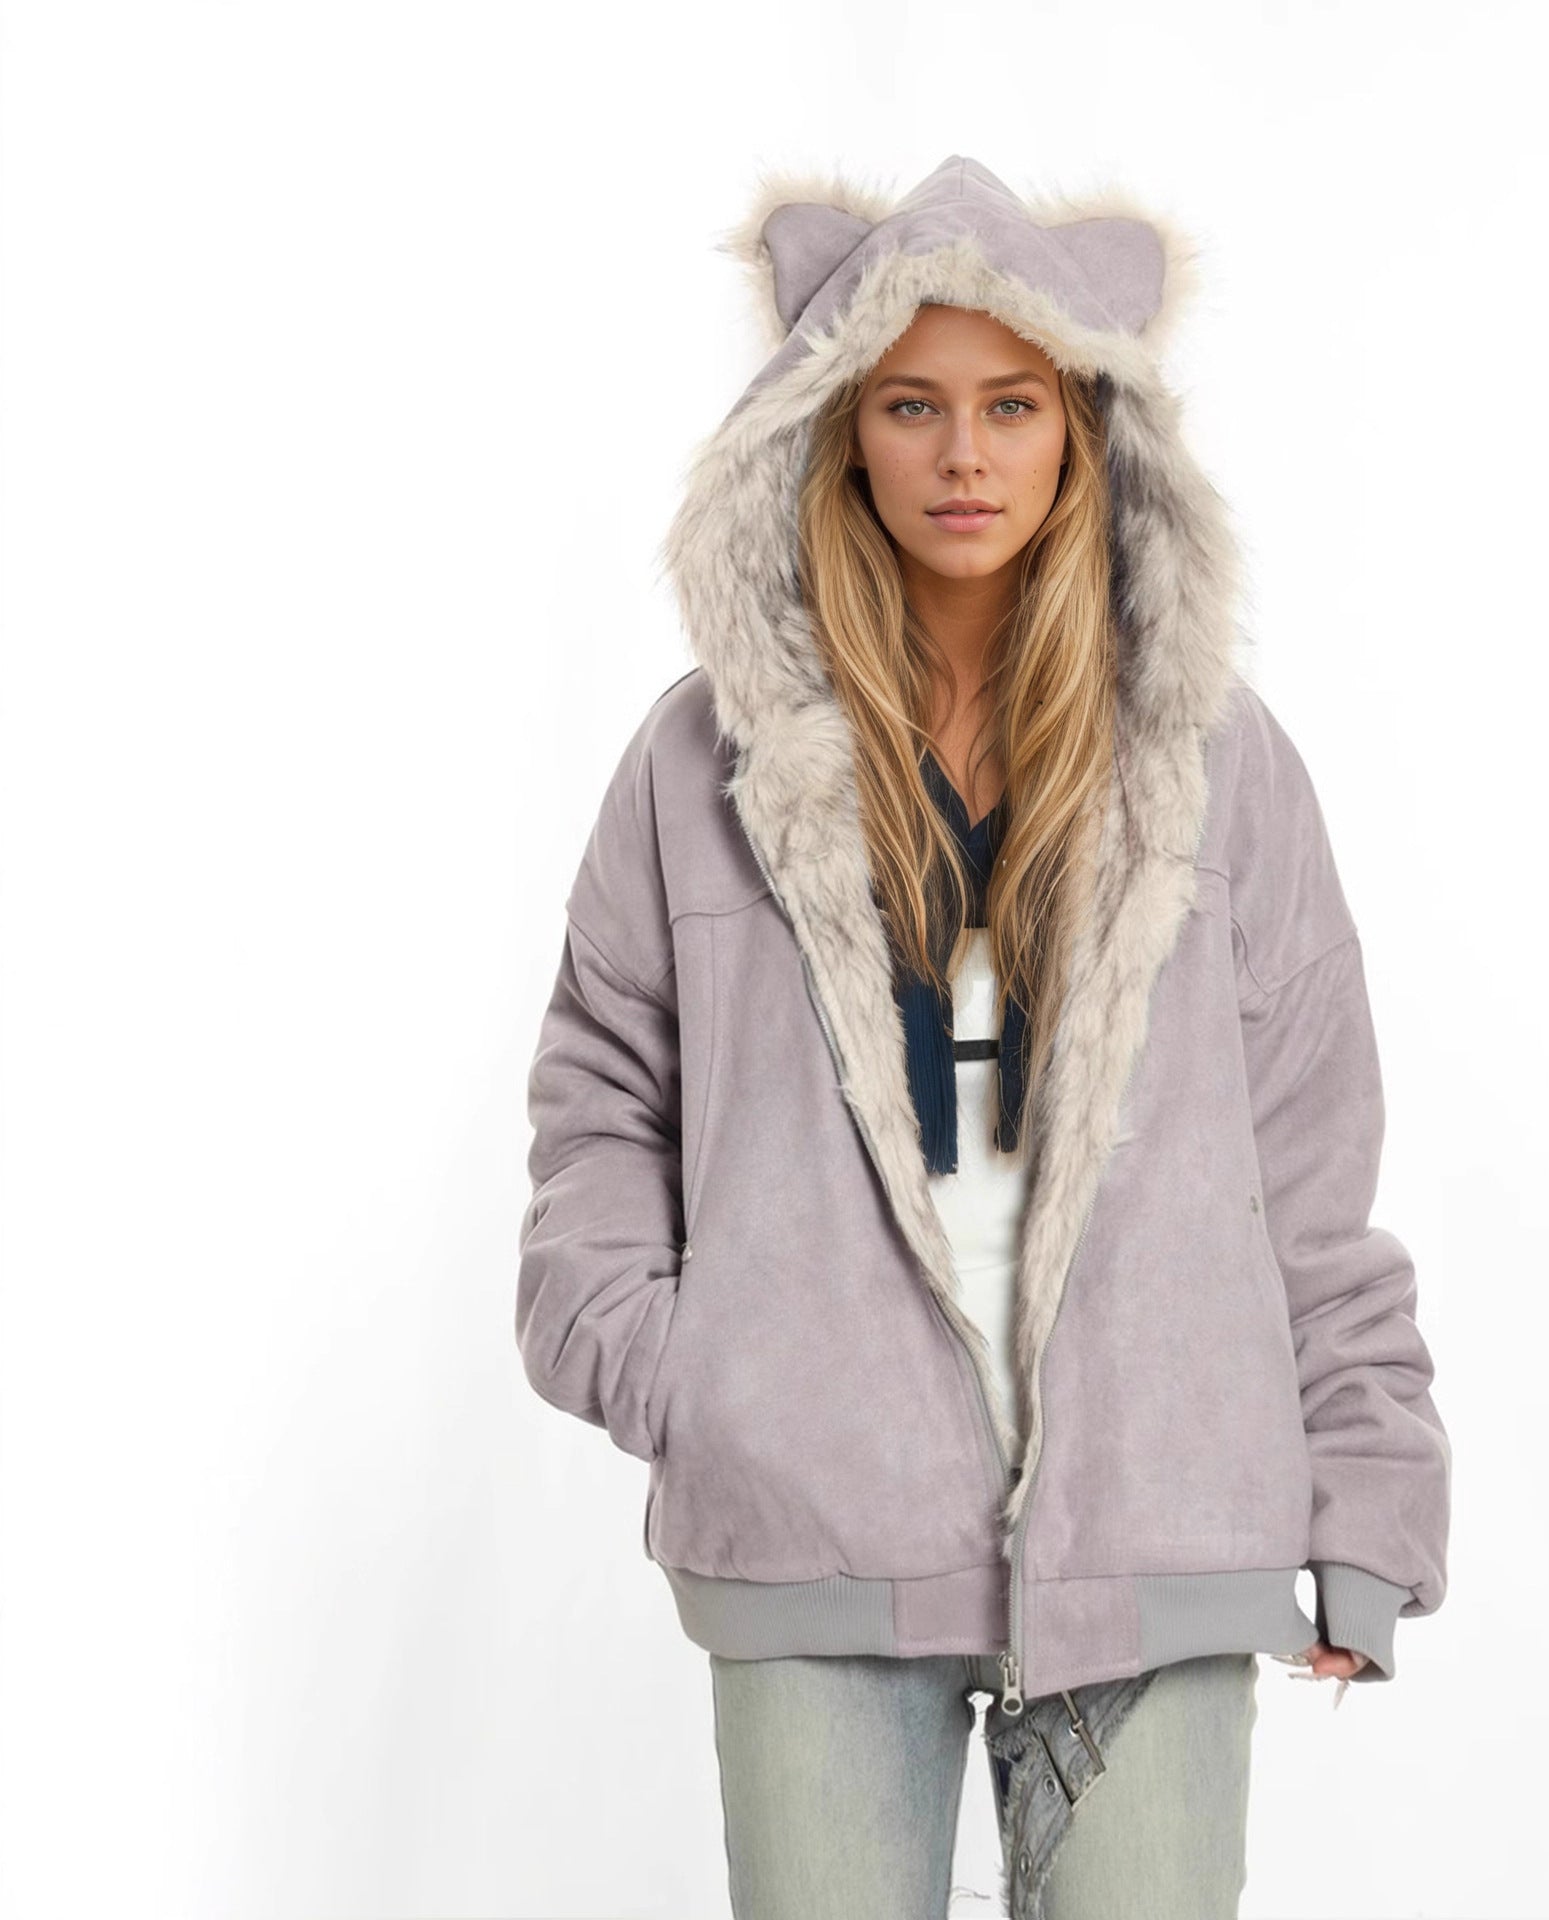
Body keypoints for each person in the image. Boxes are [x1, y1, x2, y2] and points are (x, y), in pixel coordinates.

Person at [517, 153, 1452, 1920]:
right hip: (811, 1526)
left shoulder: (1219, 763)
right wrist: (693, 1376)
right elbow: (602, 1097)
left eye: (1012, 405)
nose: (965, 454)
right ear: (839, 432)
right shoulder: (698, 764)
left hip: (1161, 1524)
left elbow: (1313, 1162)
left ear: (1084, 430)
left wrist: (1366, 1501)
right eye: (914, 405)